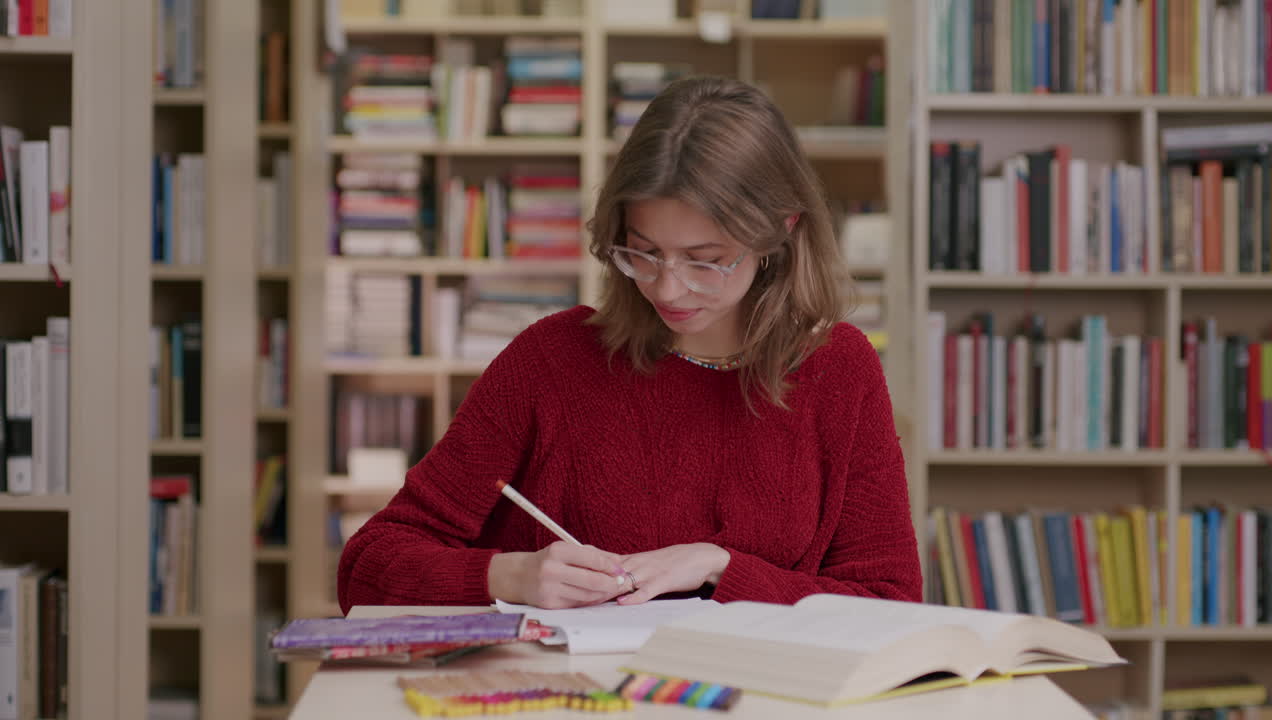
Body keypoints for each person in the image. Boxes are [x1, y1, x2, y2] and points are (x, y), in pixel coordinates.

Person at [337, 75, 920, 613]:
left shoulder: (839, 369)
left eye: (705, 261)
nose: (667, 287)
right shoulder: (551, 361)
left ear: (781, 232)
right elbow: (367, 567)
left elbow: (888, 603)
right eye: (643, 252)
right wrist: (506, 576)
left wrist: (724, 570)